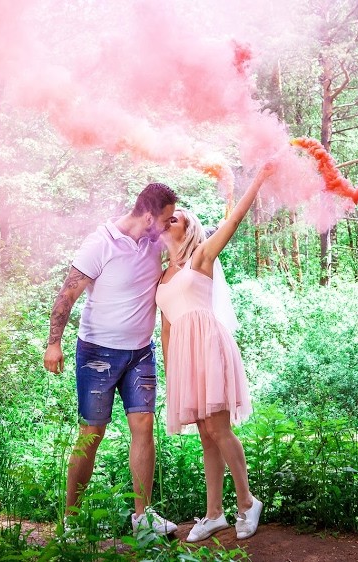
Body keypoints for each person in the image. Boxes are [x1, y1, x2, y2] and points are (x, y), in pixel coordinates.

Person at [43, 182, 179, 536]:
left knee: (143, 426)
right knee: (92, 433)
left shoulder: (155, 241)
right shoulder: (100, 243)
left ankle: (142, 517)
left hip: (141, 353)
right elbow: (66, 296)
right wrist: (53, 344)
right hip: (97, 353)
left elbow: (195, 236)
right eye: (165, 219)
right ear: (148, 216)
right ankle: (71, 518)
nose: (168, 225)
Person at [156, 161, 276, 542]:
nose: (168, 220)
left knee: (219, 428)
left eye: (175, 218)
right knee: (205, 434)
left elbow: (234, 219)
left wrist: (258, 180)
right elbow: (166, 326)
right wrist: (171, 371)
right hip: (184, 358)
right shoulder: (162, 274)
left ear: (189, 227)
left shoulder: (202, 256)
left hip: (208, 344)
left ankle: (247, 502)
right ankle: (214, 514)